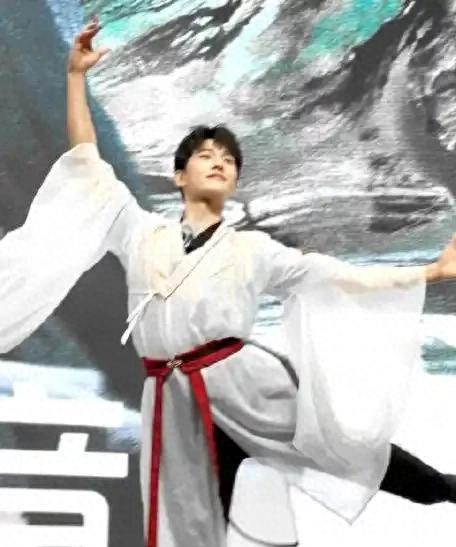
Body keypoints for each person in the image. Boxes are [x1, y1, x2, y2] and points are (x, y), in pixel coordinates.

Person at [2, 17, 456, 547]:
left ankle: (442, 488)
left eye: (227, 160)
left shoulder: (253, 249)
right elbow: (87, 161)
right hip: (173, 395)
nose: (218, 164)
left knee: (348, 454)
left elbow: (339, 277)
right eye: (205, 157)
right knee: (191, 522)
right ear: (179, 176)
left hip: (246, 384)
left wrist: (430, 272)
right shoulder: (139, 231)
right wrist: (75, 79)